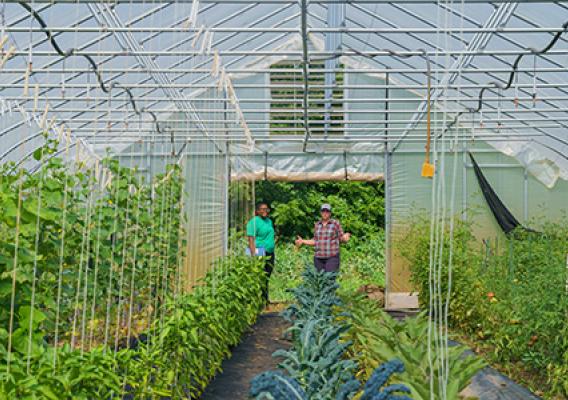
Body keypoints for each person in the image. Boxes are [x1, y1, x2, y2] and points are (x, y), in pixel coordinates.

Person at [295, 203, 351, 273]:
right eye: (323, 211)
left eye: (327, 211)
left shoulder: (335, 223)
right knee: (320, 280)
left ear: (330, 213)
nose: (325, 213)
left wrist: (345, 238)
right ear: (320, 212)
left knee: (329, 279)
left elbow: (341, 238)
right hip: (318, 258)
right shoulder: (317, 225)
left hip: (332, 257)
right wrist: (303, 241)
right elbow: (315, 241)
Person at [246, 202, 275, 304]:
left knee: (267, 275)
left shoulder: (269, 221)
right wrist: (253, 254)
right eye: (262, 209)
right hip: (258, 251)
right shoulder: (253, 222)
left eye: (266, 209)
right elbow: (250, 239)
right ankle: (258, 300)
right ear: (257, 211)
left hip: (269, 251)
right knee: (259, 276)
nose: (264, 211)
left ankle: (264, 298)